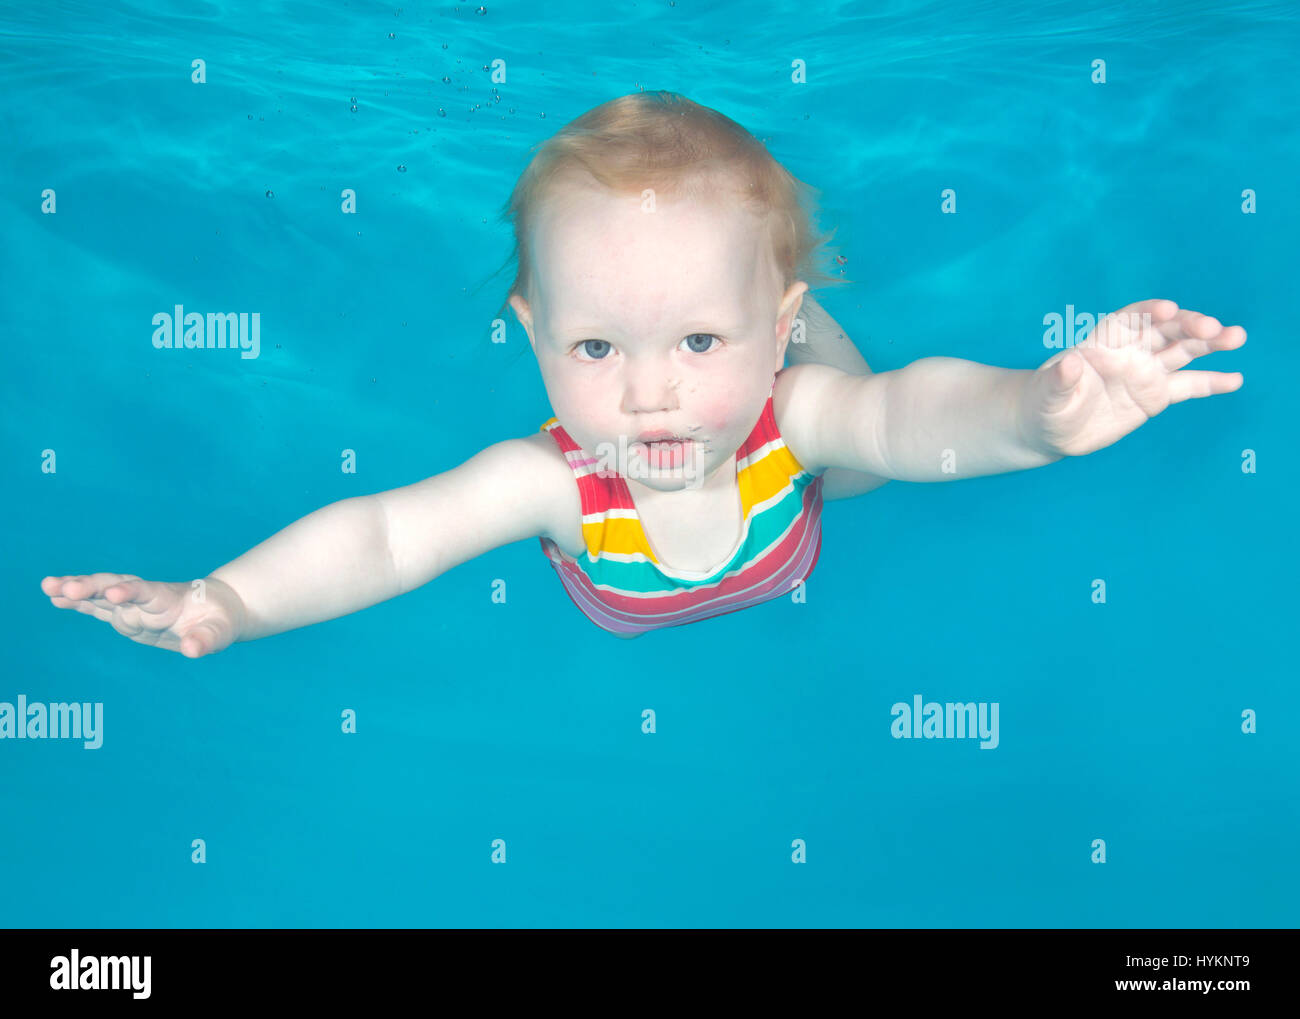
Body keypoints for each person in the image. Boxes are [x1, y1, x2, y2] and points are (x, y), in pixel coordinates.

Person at [40, 91, 1246, 649]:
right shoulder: (557, 481)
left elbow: (912, 412)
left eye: (696, 344)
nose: (649, 396)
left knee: (868, 451)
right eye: (596, 346)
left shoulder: (786, 415)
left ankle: (791, 295)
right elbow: (388, 535)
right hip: (635, 577)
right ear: (530, 333)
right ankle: (760, 294)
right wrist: (227, 601)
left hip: (794, 493)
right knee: (837, 430)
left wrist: (1035, 414)